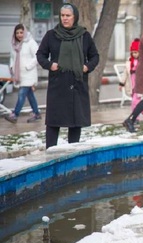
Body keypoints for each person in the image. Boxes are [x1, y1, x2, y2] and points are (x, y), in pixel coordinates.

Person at [36, 3, 99, 149]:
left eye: (68, 16)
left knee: (75, 122)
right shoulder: (51, 35)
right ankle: (50, 152)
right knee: (53, 122)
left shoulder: (84, 36)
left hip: (77, 84)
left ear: (74, 17)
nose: (65, 18)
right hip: (58, 85)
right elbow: (41, 54)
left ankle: (72, 154)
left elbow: (95, 56)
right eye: (62, 15)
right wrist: (50, 65)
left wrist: (87, 67)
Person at [4, 24, 41, 124]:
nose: (19, 35)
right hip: (19, 74)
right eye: (17, 33)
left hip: (29, 74)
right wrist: (12, 67)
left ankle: (15, 115)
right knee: (30, 95)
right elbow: (12, 57)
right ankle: (37, 113)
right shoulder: (14, 44)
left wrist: (28, 66)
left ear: (24, 32)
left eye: (21, 32)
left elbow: (38, 55)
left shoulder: (30, 42)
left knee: (21, 94)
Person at [119, 38, 143, 124]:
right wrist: (121, 83)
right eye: (133, 52)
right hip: (131, 84)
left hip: (140, 84)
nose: (135, 54)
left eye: (136, 52)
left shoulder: (142, 61)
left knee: (135, 101)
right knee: (136, 101)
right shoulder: (129, 62)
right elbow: (125, 73)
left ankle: (137, 118)